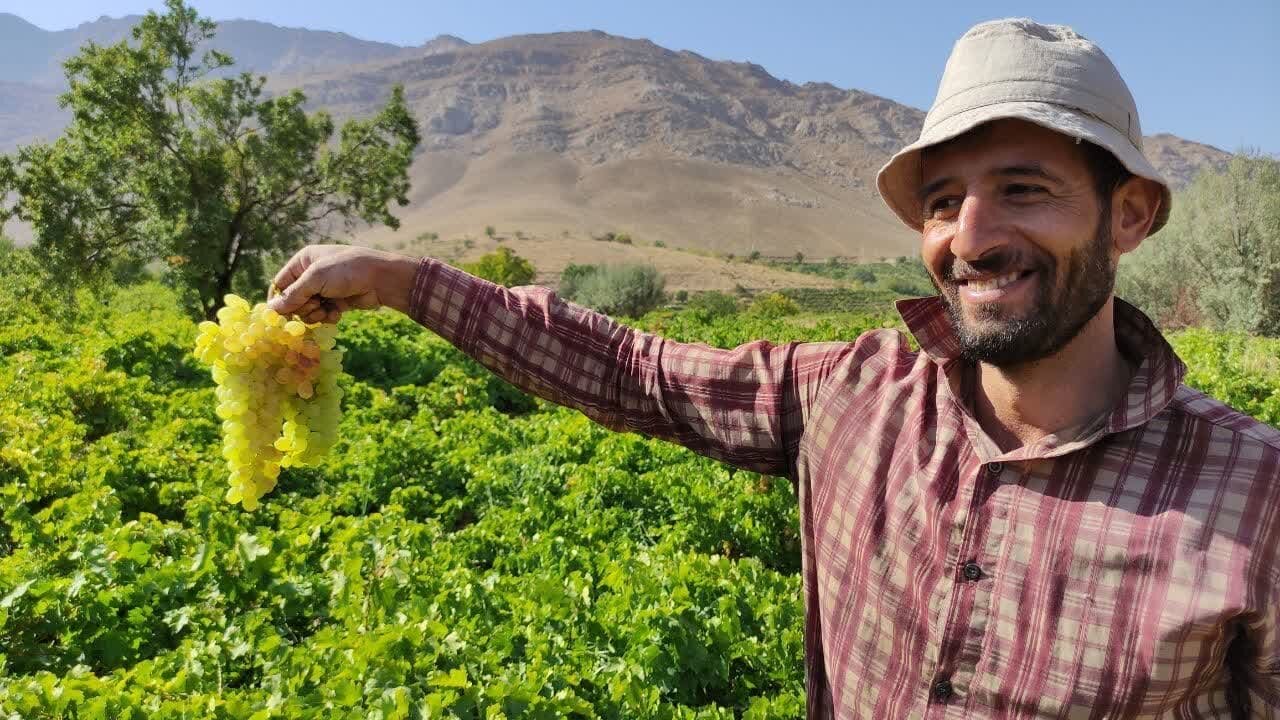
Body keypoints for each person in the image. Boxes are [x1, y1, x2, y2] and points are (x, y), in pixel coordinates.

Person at [267, 18, 1280, 719]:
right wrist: (405, 281)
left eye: (1023, 189)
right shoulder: (850, 398)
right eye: (940, 201)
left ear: (1130, 215)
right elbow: (634, 369)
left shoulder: (1252, 494)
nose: (972, 235)